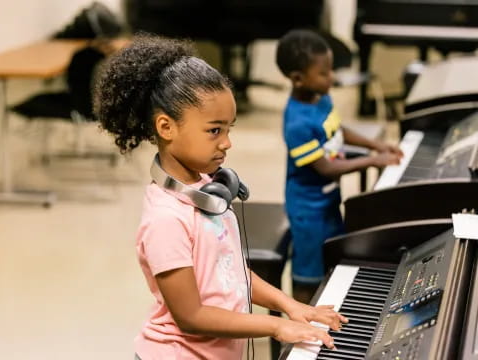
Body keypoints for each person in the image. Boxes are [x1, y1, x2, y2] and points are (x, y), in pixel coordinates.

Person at [94, 34, 347, 360]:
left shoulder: (207, 191)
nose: (227, 143)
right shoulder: (166, 221)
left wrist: (290, 305)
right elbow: (191, 316)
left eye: (230, 129)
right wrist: (274, 327)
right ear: (166, 127)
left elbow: (231, 273)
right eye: (215, 130)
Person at [275, 29, 403, 304]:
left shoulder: (322, 99)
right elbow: (325, 169)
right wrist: (372, 160)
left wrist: (375, 145)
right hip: (308, 211)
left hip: (329, 201)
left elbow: (337, 130)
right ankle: (300, 319)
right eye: (324, 73)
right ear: (298, 78)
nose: (331, 78)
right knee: (307, 274)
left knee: (333, 255)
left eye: (331, 70)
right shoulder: (297, 123)